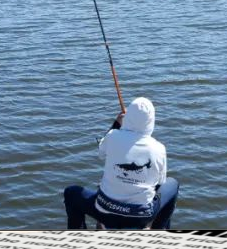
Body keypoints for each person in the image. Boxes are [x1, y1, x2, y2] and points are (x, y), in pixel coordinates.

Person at [63, 97, 179, 230]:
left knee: (71, 193)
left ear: (128, 116)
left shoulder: (113, 136)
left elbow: (101, 152)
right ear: (151, 121)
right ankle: (159, 231)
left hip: (104, 211)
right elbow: (160, 182)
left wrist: (117, 123)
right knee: (173, 184)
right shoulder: (159, 148)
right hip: (141, 217)